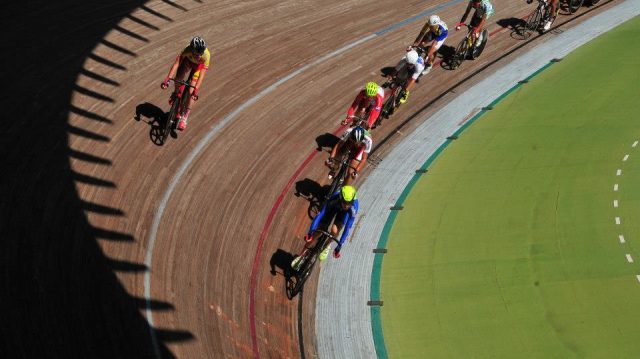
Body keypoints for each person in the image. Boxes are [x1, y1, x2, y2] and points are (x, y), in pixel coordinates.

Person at [291, 185, 360, 268]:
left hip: (343, 214)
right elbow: (320, 215)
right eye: (345, 203)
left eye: (349, 203)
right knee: (318, 231)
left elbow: (347, 228)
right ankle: (301, 254)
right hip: (333, 207)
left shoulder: (353, 208)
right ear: (341, 198)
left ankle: (327, 245)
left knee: (334, 231)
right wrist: (310, 232)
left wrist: (339, 246)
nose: (346, 206)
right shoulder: (334, 198)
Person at [160, 36, 211, 131]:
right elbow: (176, 64)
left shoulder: (206, 55)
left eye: (201, 53)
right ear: (191, 50)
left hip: (198, 68)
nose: (199, 56)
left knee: (191, 92)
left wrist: (196, 90)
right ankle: (175, 93)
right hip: (188, 62)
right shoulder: (186, 50)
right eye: (197, 54)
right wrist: (168, 79)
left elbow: (202, 75)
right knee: (178, 78)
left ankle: (185, 117)